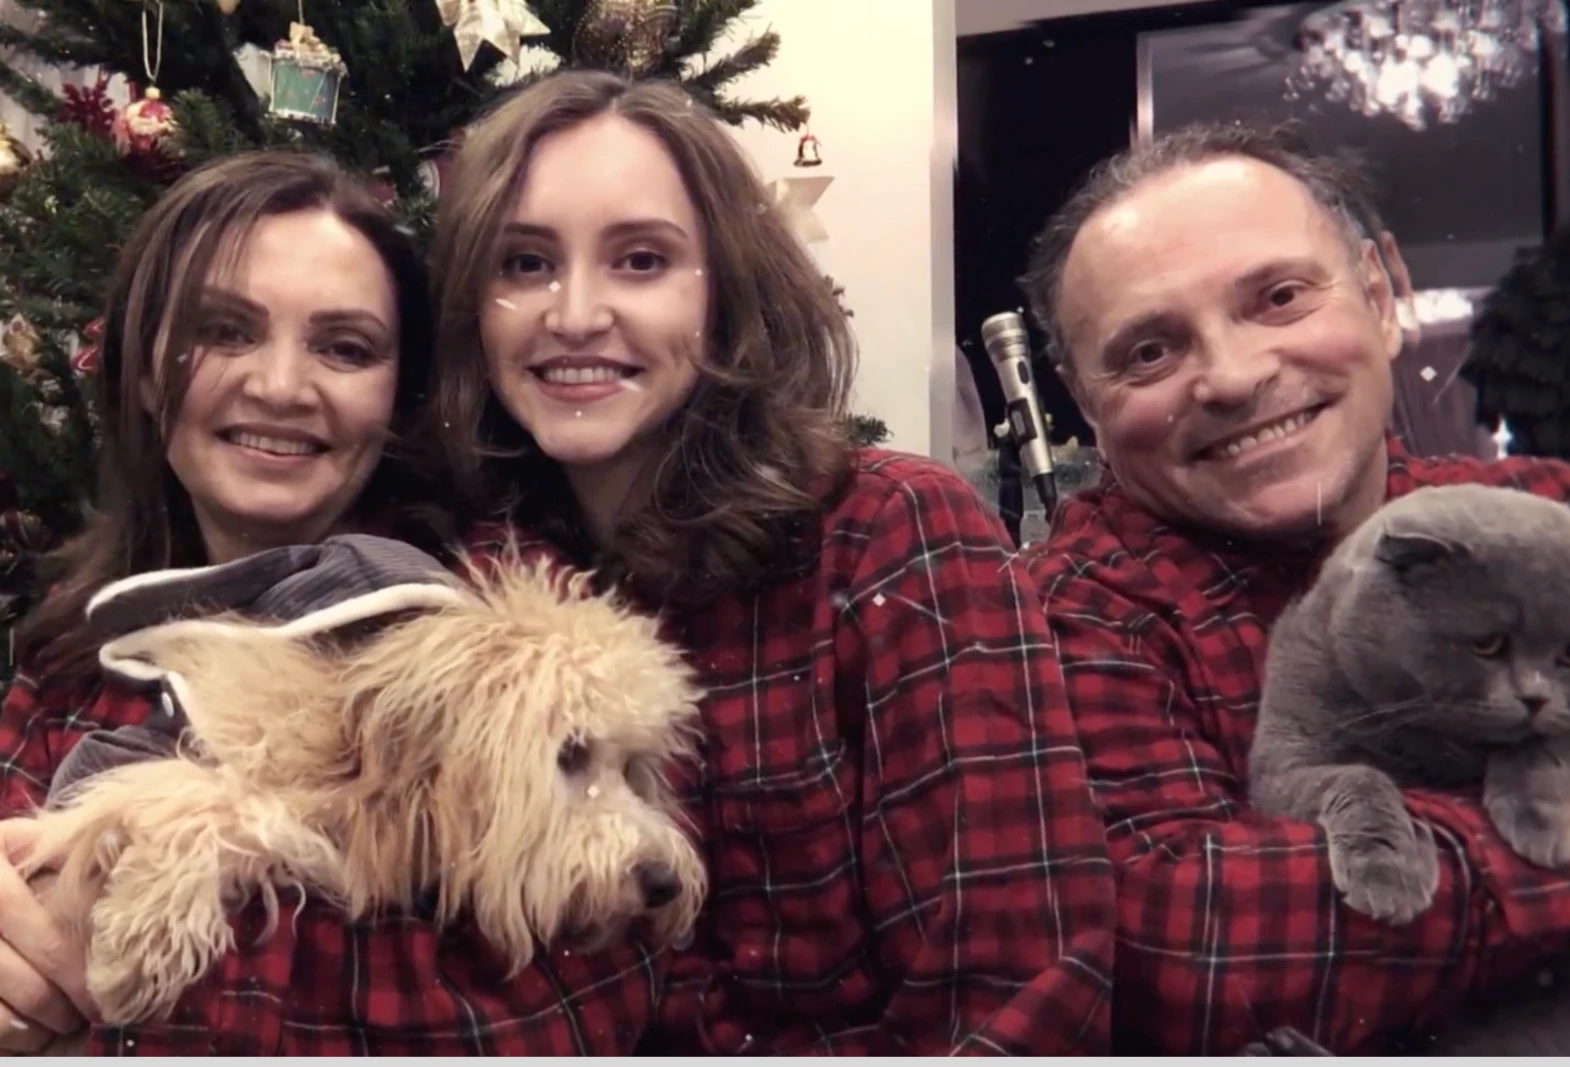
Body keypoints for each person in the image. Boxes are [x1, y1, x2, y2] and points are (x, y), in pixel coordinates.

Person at [420, 70, 1116, 1054]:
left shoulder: (892, 534)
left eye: (640, 259)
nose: (573, 313)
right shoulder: (467, 588)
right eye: (525, 263)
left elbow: (1025, 984)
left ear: (726, 292)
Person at [1017, 122, 1570, 1055]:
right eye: (1150, 353)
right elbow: (1175, 952)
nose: (1236, 376)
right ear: (1088, 408)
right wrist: (1563, 837)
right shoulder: (1062, 622)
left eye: (1280, 297)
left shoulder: (1554, 517)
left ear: (1381, 294)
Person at [0, 151, 549, 1055]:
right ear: (142, 371)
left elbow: (555, 1003)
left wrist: (125, 962)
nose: (282, 387)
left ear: (397, 398)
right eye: (225, 330)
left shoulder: (485, 638)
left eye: (345, 347)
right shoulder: (71, 652)